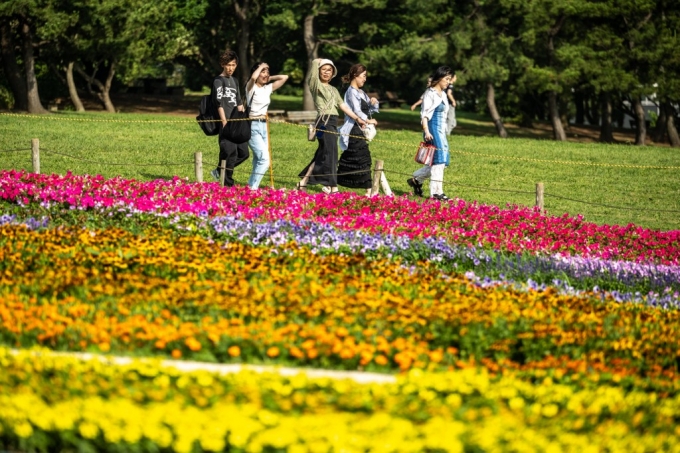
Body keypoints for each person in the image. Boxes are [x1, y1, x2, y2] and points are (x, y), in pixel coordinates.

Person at [297, 58, 367, 194]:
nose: (326, 72)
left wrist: (358, 119)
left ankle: (303, 182)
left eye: (329, 70)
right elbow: (312, 74)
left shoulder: (334, 90)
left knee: (322, 153)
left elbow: (343, 106)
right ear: (319, 71)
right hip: (323, 122)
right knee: (332, 154)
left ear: (333, 73)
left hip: (333, 122)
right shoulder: (315, 84)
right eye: (323, 69)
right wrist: (318, 61)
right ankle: (333, 187)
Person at [407, 66, 453, 201]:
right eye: (446, 79)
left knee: (443, 161)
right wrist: (426, 131)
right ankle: (436, 193)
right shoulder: (430, 93)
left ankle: (416, 179)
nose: (448, 82)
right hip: (432, 129)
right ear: (439, 78)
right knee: (438, 161)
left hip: (441, 131)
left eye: (450, 79)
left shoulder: (443, 94)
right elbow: (424, 115)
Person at [245, 62, 289, 190]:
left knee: (258, 159)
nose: (265, 74)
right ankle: (252, 188)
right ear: (257, 73)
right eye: (262, 72)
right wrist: (260, 67)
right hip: (252, 125)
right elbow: (253, 78)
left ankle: (251, 186)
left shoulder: (267, 88)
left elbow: (284, 77)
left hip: (264, 126)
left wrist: (268, 77)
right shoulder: (251, 87)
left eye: (267, 72)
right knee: (265, 160)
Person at [337, 64, 379, 195]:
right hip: (353, 129)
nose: (365, 79)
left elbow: (370, 110)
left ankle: (333, 183)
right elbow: (356, 111)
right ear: (355, 75)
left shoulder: (361, 92)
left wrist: (373, 102)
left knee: (352, 159)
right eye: (363, 76)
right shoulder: (351, 92)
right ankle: (368, 190)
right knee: (361, 158)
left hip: (360, 130)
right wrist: (368, 120)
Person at [210, 49, 249, 186]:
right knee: (230, 152)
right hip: (225, 123)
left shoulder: (235, 81)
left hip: (236, 123)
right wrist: (224, 122)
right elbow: (218, 103)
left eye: (233, 65)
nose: (231, 68)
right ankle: (227, 184)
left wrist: (243, 119)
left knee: (244, 153)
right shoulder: (218, 81)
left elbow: (239, 102)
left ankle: (219, 171)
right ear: (222, 64)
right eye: (228, 65)